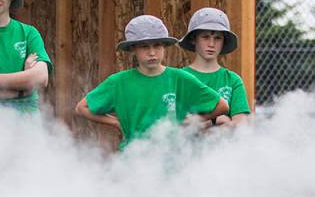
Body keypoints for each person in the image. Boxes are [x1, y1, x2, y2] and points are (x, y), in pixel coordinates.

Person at [74, 15, 228, 149]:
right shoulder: (118, 82)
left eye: (157, 45)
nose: (152, 52)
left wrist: (191, 121)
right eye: (144, 47)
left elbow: (221, 106)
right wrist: (116, 123)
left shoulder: (180, 78)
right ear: (133, 49)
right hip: (133, 161)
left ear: (164, 46)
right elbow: (81, 108)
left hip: (173, 163)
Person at [177, 7, 251, 127]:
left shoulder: (233, 80)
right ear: (193, 39)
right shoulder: (178, 79)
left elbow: (241, 124)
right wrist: (215, 121)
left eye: (217, 38)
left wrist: (200, 123)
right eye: (205, 37)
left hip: (224, 145)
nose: (211, 44)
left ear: (224, 42)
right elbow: (172, 123)